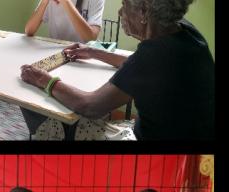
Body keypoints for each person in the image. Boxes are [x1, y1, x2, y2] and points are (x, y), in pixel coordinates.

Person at [19, 0, 214, 140]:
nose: (121, 13)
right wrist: (94, 52)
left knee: (47, 110)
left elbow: (90, 106)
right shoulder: (185, 33)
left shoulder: (154, 54)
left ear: (145, 11)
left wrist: (43, 79)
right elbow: (137, 63)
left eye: (125, 5)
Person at [21, 0, 104, 137]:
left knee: (71, 104)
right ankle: (45, 130)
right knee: (27, 85)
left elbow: (90, 37)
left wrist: (66, 2)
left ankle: (64, 130)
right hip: (56, 58)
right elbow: (29, 30)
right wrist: (44, 2)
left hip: (83, 59)